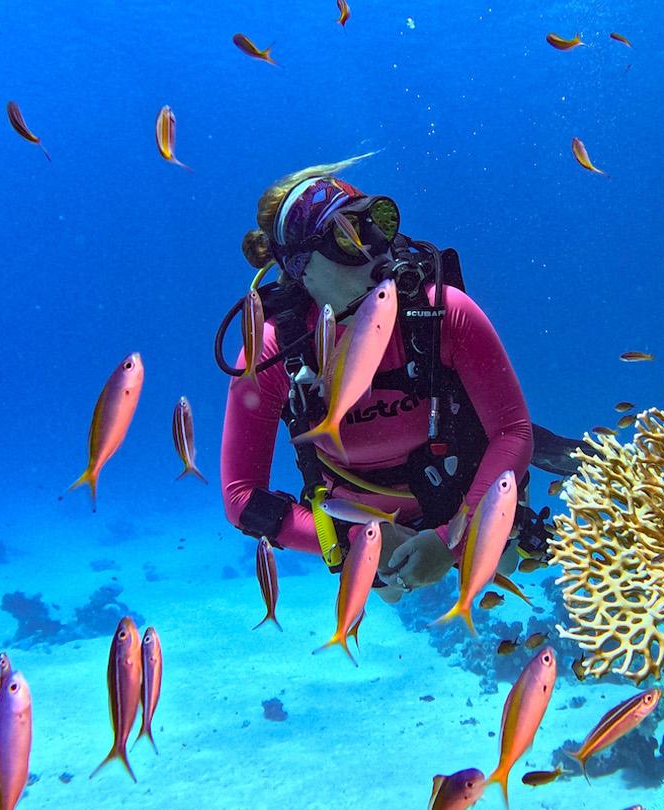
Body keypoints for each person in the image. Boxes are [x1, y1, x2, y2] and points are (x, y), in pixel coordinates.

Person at [218, 155, 573, 603]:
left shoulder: (443, 312)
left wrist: (453, 538)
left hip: (462, 497)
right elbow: (241, 498)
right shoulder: (271, 353)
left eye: (376, 223)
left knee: (501, 568)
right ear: (300, 266)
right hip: (364, 527)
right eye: (345, 237)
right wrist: (352, 542)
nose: (375, 248)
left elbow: (512, 430)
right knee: (389, 593)